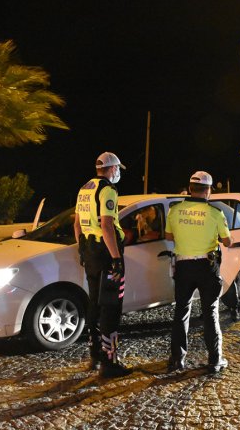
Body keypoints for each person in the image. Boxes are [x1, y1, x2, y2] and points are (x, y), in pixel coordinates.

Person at [165, 171, 232, 374]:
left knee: (181, 312)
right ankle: (214, 360)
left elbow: (169, 236)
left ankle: (177, 359)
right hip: (207, 267)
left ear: (190, 189)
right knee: (210, 312)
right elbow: (227, 241)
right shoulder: (215, 213)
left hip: (183, 266)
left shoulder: (174, 210)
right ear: (208, 190)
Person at [73, 151, 132, 378]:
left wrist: (81, 248)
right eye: (117, 169)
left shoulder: (84, 189)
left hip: (89, 252)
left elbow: (77, 224)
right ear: (112, 168)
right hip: (106, 254)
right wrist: (116, 258)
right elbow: (107, 225)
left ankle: (95, 354)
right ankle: (110, 362)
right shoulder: (107, 190)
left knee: (95, 304)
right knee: (111, 306)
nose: (118, 173)